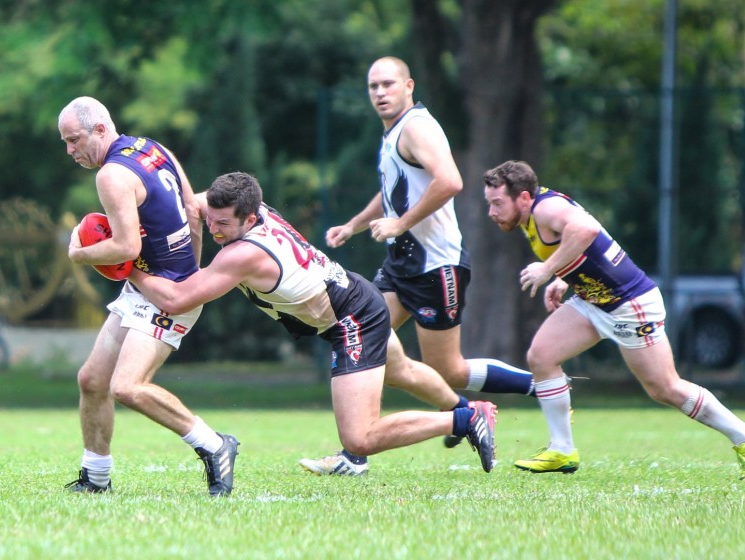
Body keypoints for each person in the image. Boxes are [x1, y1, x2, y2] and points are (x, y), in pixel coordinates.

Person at [129, 171, 499, 474]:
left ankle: (463, 421)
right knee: (400, 371)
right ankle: (463, 407)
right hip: (354, 294)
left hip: (351, 319)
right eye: (211, 219)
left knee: (359, 439)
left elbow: (176, 300)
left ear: (251, 218)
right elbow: (188, 200)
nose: (214, 230)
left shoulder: (243, 254)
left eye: (224, 223)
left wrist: (128, 265)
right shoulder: (248, 206)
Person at [300, 56, 534, 476]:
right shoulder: (393, 133)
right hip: (401, 263)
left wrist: (401, 224)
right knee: (364, 344)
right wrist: (354, 226)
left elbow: (451, 180)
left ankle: (542, 385)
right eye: (373, 86)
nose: (379, 93)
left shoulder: (417, 127)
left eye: (388, 84)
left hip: (435, 267)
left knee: (450, 368)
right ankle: (357, 454)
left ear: (409, 85)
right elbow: (394, 190)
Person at [482, 159, 745, 480]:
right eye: (490, 204)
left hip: (629, 303)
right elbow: (591, 238)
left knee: (664, 387)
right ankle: (561, 449)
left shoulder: (544, 210)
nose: (492, 212)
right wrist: (565, 277)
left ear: (523, 198)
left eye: (497, 203)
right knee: (542, 356)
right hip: (594, 301)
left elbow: (588, 230)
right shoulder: (534, 213)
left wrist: (549, 269)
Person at [58, 96, 239, 497]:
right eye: (66, 143)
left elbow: (124, 249)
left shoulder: (111, 176)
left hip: (163, 292)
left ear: (100, 130)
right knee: (92, 380)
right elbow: (194, 212)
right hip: (152, 285)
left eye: (74, 140)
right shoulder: (153, 148)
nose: (70, 150)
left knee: (127, 387)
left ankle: (214, 445)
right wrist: (189, 270)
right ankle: (96, 478)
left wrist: (78, 253)